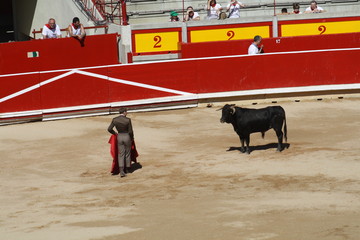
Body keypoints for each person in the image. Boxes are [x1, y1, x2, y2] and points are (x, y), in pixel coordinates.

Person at [108, 107, 134, 177]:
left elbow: (109, 129)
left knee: (121, 154)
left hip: (119, 136)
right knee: (128, 153)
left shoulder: (115, 119)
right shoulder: (128, 120)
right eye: (126, 111)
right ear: (124, 112)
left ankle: (121, 170)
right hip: (127, 136)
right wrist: (132, 138)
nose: (127, 113)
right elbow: (130, 131)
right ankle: (127, 168)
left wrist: (115, 133)